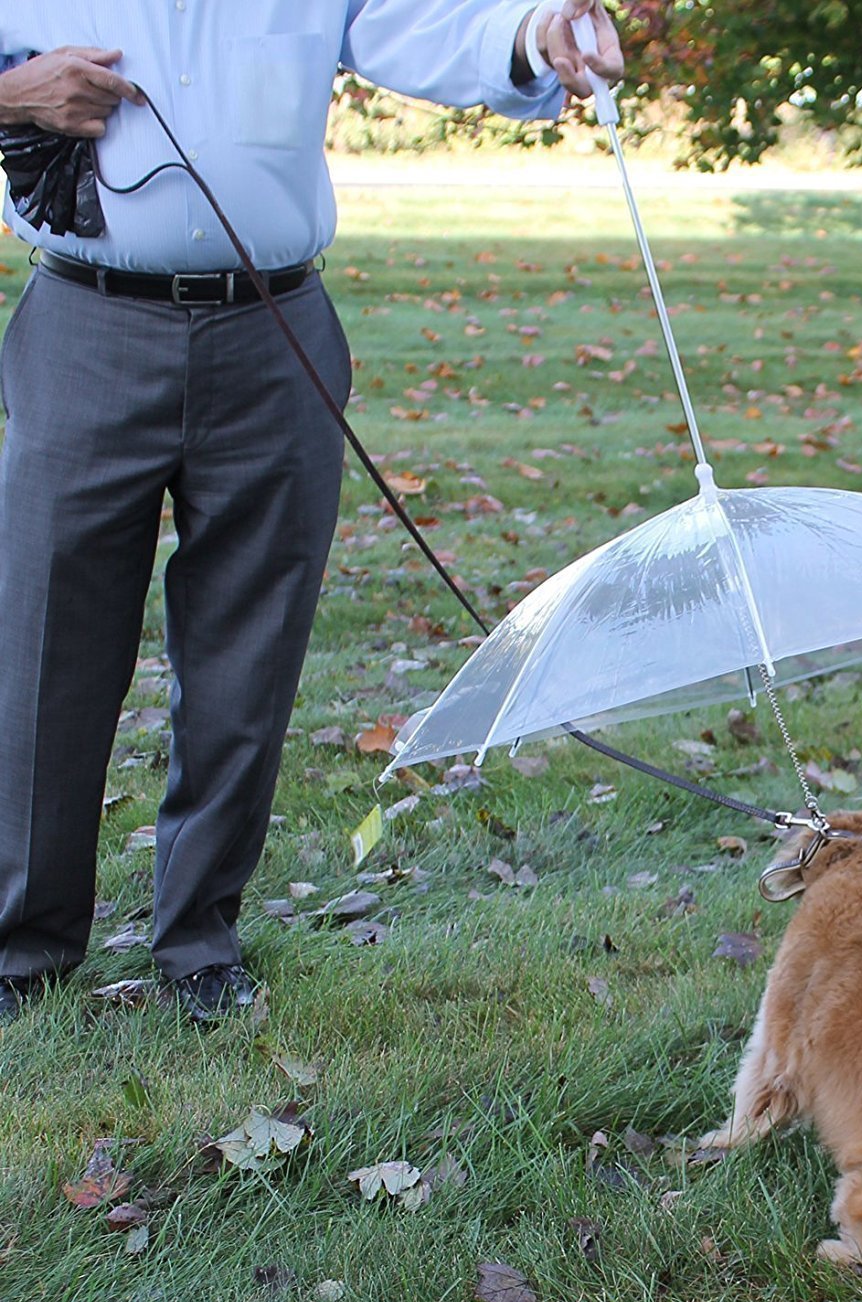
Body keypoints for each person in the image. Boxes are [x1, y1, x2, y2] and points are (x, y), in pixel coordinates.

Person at [0, 1, 623, 1024]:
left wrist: (531, 33)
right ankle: (23, 952)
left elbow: (428, 25)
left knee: (250, 649)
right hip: (86, 322)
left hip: (274, 329)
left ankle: (200, 939)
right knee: (44, 645)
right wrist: (11, 93)